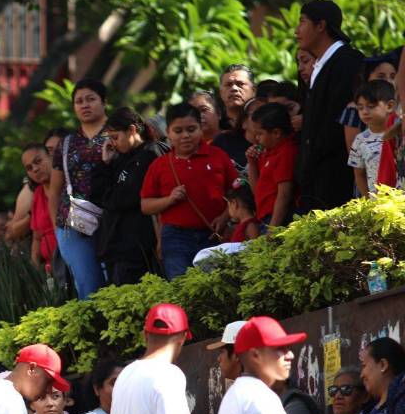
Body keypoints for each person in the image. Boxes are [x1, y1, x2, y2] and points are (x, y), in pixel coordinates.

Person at [140, 102, 238, 279]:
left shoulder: (218, 156)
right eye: (178, 131)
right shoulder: (159, 165)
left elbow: (236, 191)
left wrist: (225, 217)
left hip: (214, 235)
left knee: (219, 286)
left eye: (191, 129)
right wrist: (169, 200)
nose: (185, 135)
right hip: (176, 238)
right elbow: (146, 206)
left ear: (200, 129)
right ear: (168, 133)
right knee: (182, 288)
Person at [295, 0, 365, 212]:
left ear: (320, 26)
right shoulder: (320, 64)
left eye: (302, 22)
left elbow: (336, 122)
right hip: (315, 179)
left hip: (336, 179)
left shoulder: (347, 62)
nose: (297, 31)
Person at [49, 79, 109, 299]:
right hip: (72, 223)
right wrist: (58, 229)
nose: (84, 105)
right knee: (87, 284)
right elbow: (54, 191)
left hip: (113, 219)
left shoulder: (118, 134)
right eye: (79, 101)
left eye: (91, 99)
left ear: (104, 102)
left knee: (117, 279)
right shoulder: (66, 143)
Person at [91, 107, 161, 285]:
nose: (113, 144)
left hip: (138, 245)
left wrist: (110, 196)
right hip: (116, 245)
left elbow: (123, 198)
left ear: (132, 130)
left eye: (115, 137)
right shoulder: (119, 158)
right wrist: (105, 163)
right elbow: (98, 196)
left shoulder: (149, 155)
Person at [247, 103, 298, 227]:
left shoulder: (286, 152)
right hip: (264, 216)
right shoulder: (267, 152)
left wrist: (273, 227)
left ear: (276, 133)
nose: (256, 138)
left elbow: (284, 195)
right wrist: (252, 163)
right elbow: (256, 190)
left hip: (277, 220)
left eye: (260, 134)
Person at [349, 80, 395, 197]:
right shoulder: (359, 140)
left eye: (371, 106)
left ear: (389, 106)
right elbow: (359, 175)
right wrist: (369, 200)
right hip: (377, 204)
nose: (365, 112)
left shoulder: (398, 135)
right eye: (360, 108)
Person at [18, 144, 58, 272]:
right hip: (49, 270)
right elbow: (37, 238)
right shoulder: (37, 195)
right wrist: (35, 271)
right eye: (29, 168)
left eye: (38, 161)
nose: (35, 169)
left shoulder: (68, 187)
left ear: (51, 157)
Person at [215, 64, 257, 168]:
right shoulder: (217, 130)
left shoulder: (267, 127)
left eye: (240, 84)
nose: (234, 88)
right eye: (228, 85)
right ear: (220, 93)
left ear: (254, 90)